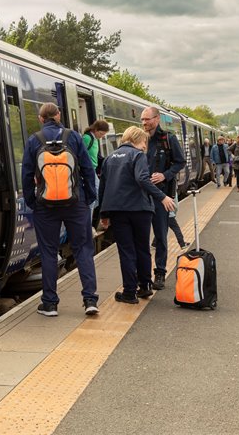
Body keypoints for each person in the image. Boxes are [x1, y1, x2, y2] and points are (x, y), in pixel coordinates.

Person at [22, 102, 99, 316]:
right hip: (76, 203)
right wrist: (89, 197)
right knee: (83, 249)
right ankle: (90, 300)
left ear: (41, 119)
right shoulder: (73, 137)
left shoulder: (33, 140)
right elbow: (87, 169)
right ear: (58, 115)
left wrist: (33, 201)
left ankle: (50, 303)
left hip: (45, 206)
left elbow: (27, 176)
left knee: (48, 252)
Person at [99, 126, 176, 303]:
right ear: (136, 139)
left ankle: (129, 293)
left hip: (118, 212)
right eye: (144, 142)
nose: (144, 147)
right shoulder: (137, 155)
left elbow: (103, 189)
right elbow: (142, 179)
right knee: (142, 249)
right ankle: (145, 286)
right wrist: (162, 196)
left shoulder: (109, 159)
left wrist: (103, 214)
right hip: (141, 210)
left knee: (126, 252)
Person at [140, 107, 186, 290]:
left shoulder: (168, 139)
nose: (144, 123)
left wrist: (165, 175)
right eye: (142, 120)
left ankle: (160, 272)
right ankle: (143, 276)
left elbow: (180, 162)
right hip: (141, 196)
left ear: (157, 119)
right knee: (142, 237)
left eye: (147, 119)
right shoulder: (139, 139)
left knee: (160, 235)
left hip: (161, 195)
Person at [82, 120, 110, 221]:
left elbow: (96, 156)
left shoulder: (95, 139)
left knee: (98, 195)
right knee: (96, 194)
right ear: (96, 130)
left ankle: (89, 219)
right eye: (101, 133)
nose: (102, 136)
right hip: (88, 171)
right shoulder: (87, 138)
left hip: (93, 170)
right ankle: (87, 221)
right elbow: (80, 154)